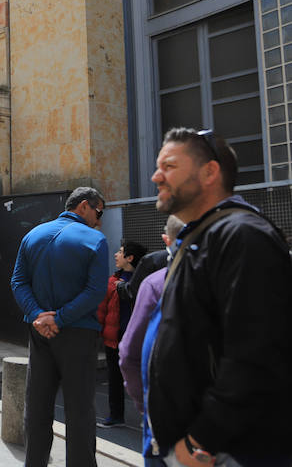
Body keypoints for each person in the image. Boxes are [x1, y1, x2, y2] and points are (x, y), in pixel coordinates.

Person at [145, 128, 292, 466]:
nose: (156, 176)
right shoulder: (204, 236)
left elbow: (256, 356)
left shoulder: (242, 235)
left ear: (210, 172)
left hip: (225, 452)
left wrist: (200, 440)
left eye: (168, 166)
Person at [10, 186, 108, 467]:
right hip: (78, 332)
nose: (99, 220)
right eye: (99, 212)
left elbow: (18, 282)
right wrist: (60, 318)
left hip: (39, 331)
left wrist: (39, 315)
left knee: (38, 406)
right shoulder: (95, 240)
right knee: (79, 411)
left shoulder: (32, 235)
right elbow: (95, 291)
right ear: (85, 206)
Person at [118, 216, 183, 466]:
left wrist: (145, 405)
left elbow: (129, 356)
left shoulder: (156, 283)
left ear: (167, 239)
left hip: (166, 412)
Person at [96, 239, 145, 429]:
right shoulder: (112, 280)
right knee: (114, 378)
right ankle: (116, 416)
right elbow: (103, 310)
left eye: (120, 251)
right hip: (114, 338)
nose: (116, 255)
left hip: (135, 339)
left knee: (142, 378)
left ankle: (147, 415)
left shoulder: (142, 282)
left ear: (130, 258)